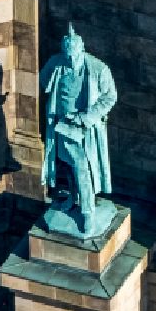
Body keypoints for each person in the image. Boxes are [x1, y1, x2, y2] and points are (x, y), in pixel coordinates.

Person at [40, 23, 117, 235]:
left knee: (82, 166)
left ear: (82, 50)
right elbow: (42, 82)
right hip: (63, 125)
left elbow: (110, 97)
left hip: (86, 127)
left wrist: (86, 116)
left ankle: (88, 211)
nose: (71, 61)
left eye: (74, 56)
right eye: (68, 56)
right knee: (69, 163)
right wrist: (52, 76)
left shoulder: (98, 69)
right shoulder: (57, 64)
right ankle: (74, 199)